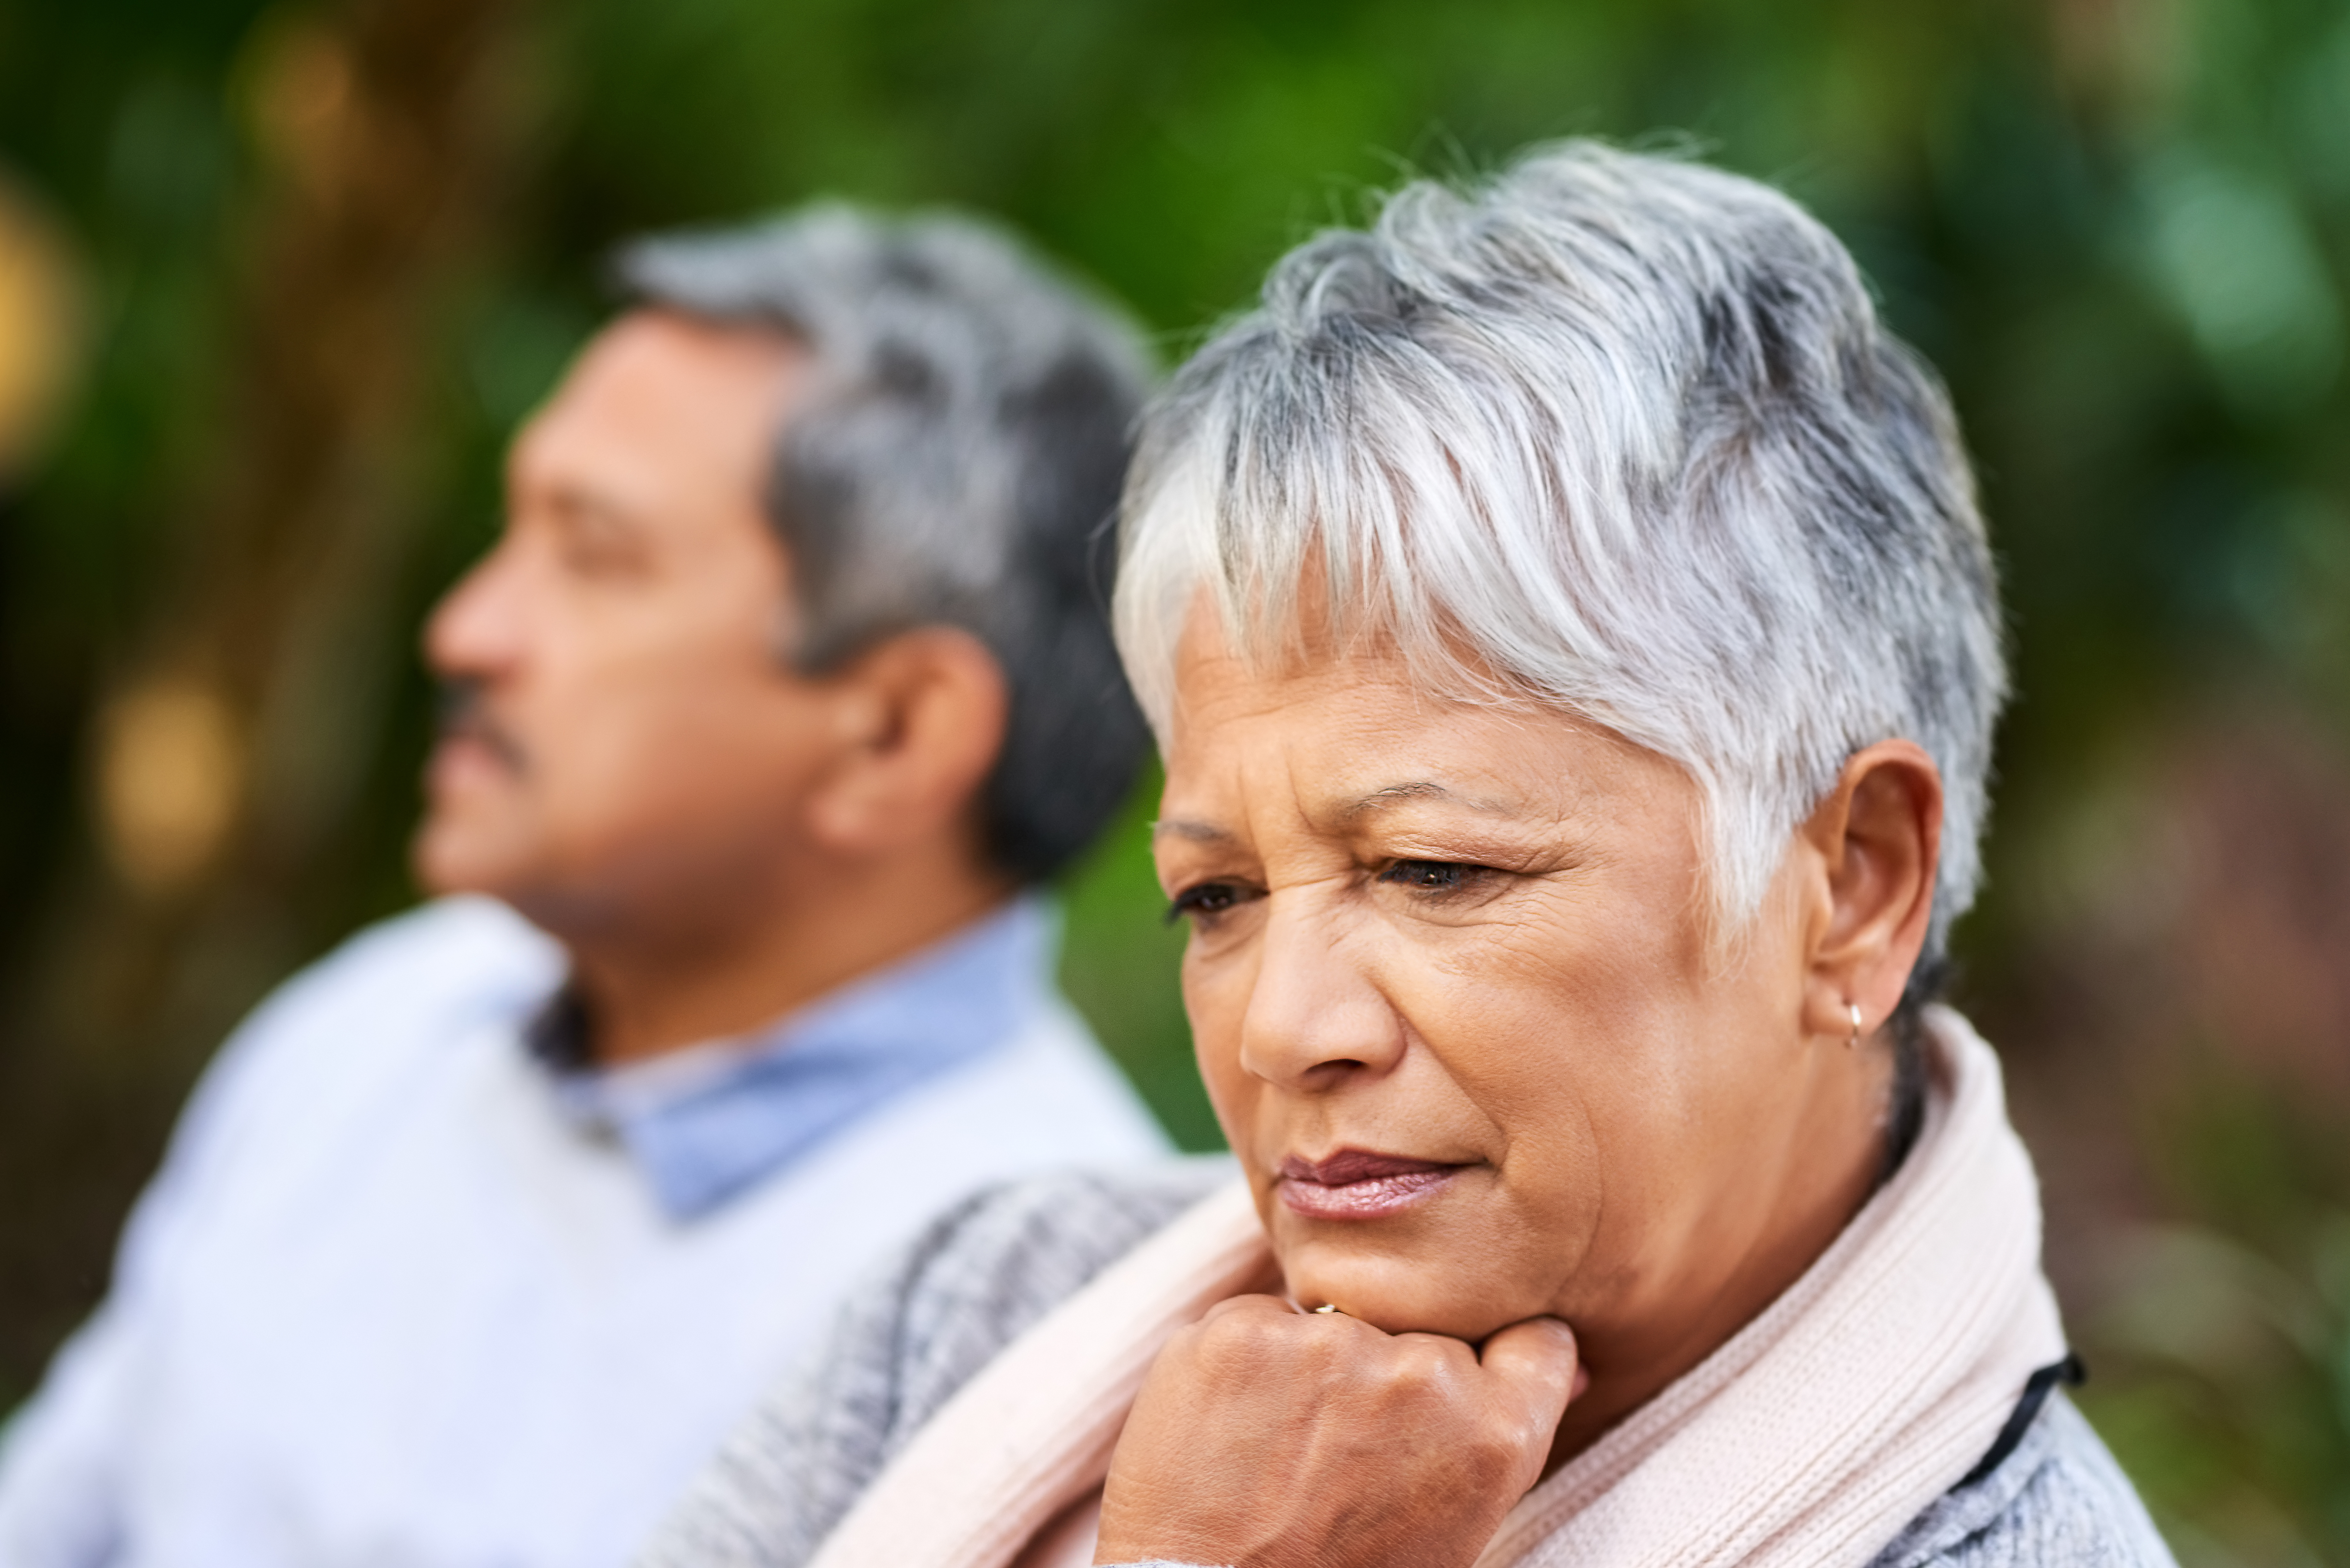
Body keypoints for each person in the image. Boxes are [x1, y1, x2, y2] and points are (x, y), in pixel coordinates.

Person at [636, 144, 2177, 1568]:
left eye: (1433, 872)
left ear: (1852, 888)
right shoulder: (982, 1309)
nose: (1282, 1028)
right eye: (1218, 895)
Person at [0, 207, 1172, 1568]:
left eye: (594, 554)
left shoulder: (1045, 1332)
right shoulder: (388, 1019)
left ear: (895, 731)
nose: (468, 628)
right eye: (515, 531)